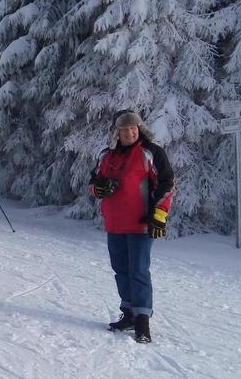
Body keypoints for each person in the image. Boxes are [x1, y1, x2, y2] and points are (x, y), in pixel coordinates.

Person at [88, 109, 174, 344]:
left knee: (138, 271)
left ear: (140, 129)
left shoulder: (151, 153)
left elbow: (166, 183)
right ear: (117, 132)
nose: (129, 132)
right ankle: (128, 314)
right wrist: (99, 188)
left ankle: (142, 320)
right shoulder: (106, 155)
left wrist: (158, 214)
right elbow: (94, 180)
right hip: (115, 224)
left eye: (133, 128)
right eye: (124, 129)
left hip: (141, 224)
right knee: (121, 270)